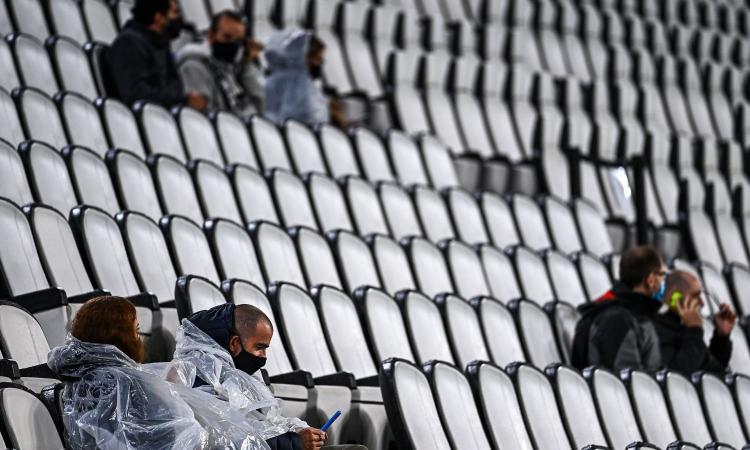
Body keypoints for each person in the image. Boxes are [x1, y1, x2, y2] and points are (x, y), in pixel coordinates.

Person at [48, 296, 269, 450]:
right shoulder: (129, 385)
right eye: (135, 331)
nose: (140, 339)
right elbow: (193, 445)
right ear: (120, 338)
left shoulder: (78, 385)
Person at [174, 303, 365, 450]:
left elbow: (263, 424)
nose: (263, 357)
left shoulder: (233, 375)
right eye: (259, 347)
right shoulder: (194, 374)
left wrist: (298, 430)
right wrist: (294, 443)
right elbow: (221, 441)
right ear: (234, 343)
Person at [572, 246, 667, 372]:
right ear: (651, 280)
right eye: (662, 275)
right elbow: (628, 381)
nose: (664, 282)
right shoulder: (618, 320)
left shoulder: (637, 315)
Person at [107, 0, 207, 110]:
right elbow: (136, 95)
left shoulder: (161, 42)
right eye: (175, 12)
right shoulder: (128, 44)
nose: (180, 18)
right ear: (159, 17)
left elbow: (176, 86)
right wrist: (182, 100)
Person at [177, 10, 265, 119]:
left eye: (238, 40)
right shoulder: (193, 67)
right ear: (211, 36)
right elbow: (198, 116)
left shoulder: (232, 68)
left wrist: (246, 64)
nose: (232, 44)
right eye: (227, 37)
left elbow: (260, 106)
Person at [655, 270, 736, 374]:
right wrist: (695, 329)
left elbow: (714, 370)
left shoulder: (685, 329)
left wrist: (721, 337)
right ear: (676, 298)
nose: (702, 302)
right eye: (695, 295)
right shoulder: (659, 331)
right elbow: (679, 374)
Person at [264, 29, 347, 127]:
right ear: (304, 59)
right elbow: (316, 120)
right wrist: (332, 112)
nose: (320, 64)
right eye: (318, 59)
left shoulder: (274, 79)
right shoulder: (300, 85)